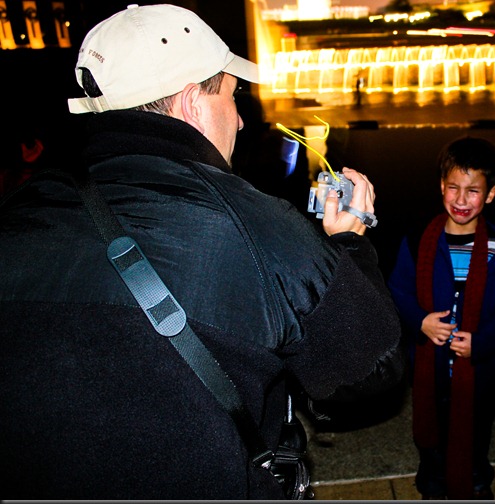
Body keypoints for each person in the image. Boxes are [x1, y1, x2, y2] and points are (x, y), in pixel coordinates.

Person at [0, 4, 404, 500]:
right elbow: (370, 371)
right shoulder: (255, 224)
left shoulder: (20, 209)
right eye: (232, 97)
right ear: (193, 102)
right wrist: (349, 243)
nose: (240, 121)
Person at [388, 136, 495, 500]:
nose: (461, 200)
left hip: (480, 373)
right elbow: (398, 290)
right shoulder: (419, 239)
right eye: (454, 188)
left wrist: (481, 343)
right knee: (432, 438)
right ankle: (433, 486)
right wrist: (420, 320)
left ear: (491, 194)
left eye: (473, 190)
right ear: (441, 186)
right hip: (430, 369)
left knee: (476, 435)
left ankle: (477, 484)